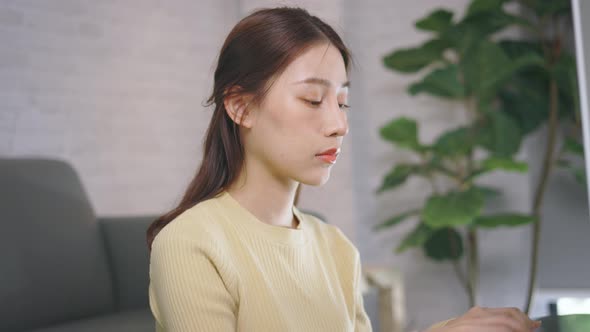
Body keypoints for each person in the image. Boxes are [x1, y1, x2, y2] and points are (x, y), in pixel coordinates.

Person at [146, 6, 542, 332]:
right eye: (313, 99)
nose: (339, 124)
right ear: (240, 106)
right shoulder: (189, 244)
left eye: (342, 102)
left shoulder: (336, 248)